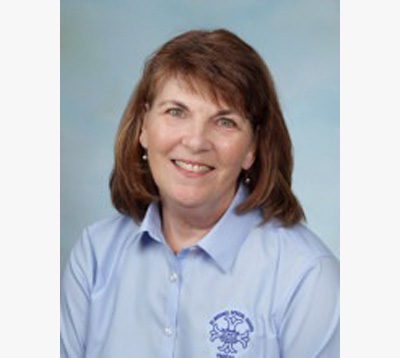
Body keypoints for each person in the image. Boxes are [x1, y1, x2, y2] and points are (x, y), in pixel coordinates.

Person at [61, 29, 339, 358]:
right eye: (176, 112)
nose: (195, 141)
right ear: (143, 128)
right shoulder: (95, 254)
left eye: (225, 121)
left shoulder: (307, 275)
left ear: (252, 148)